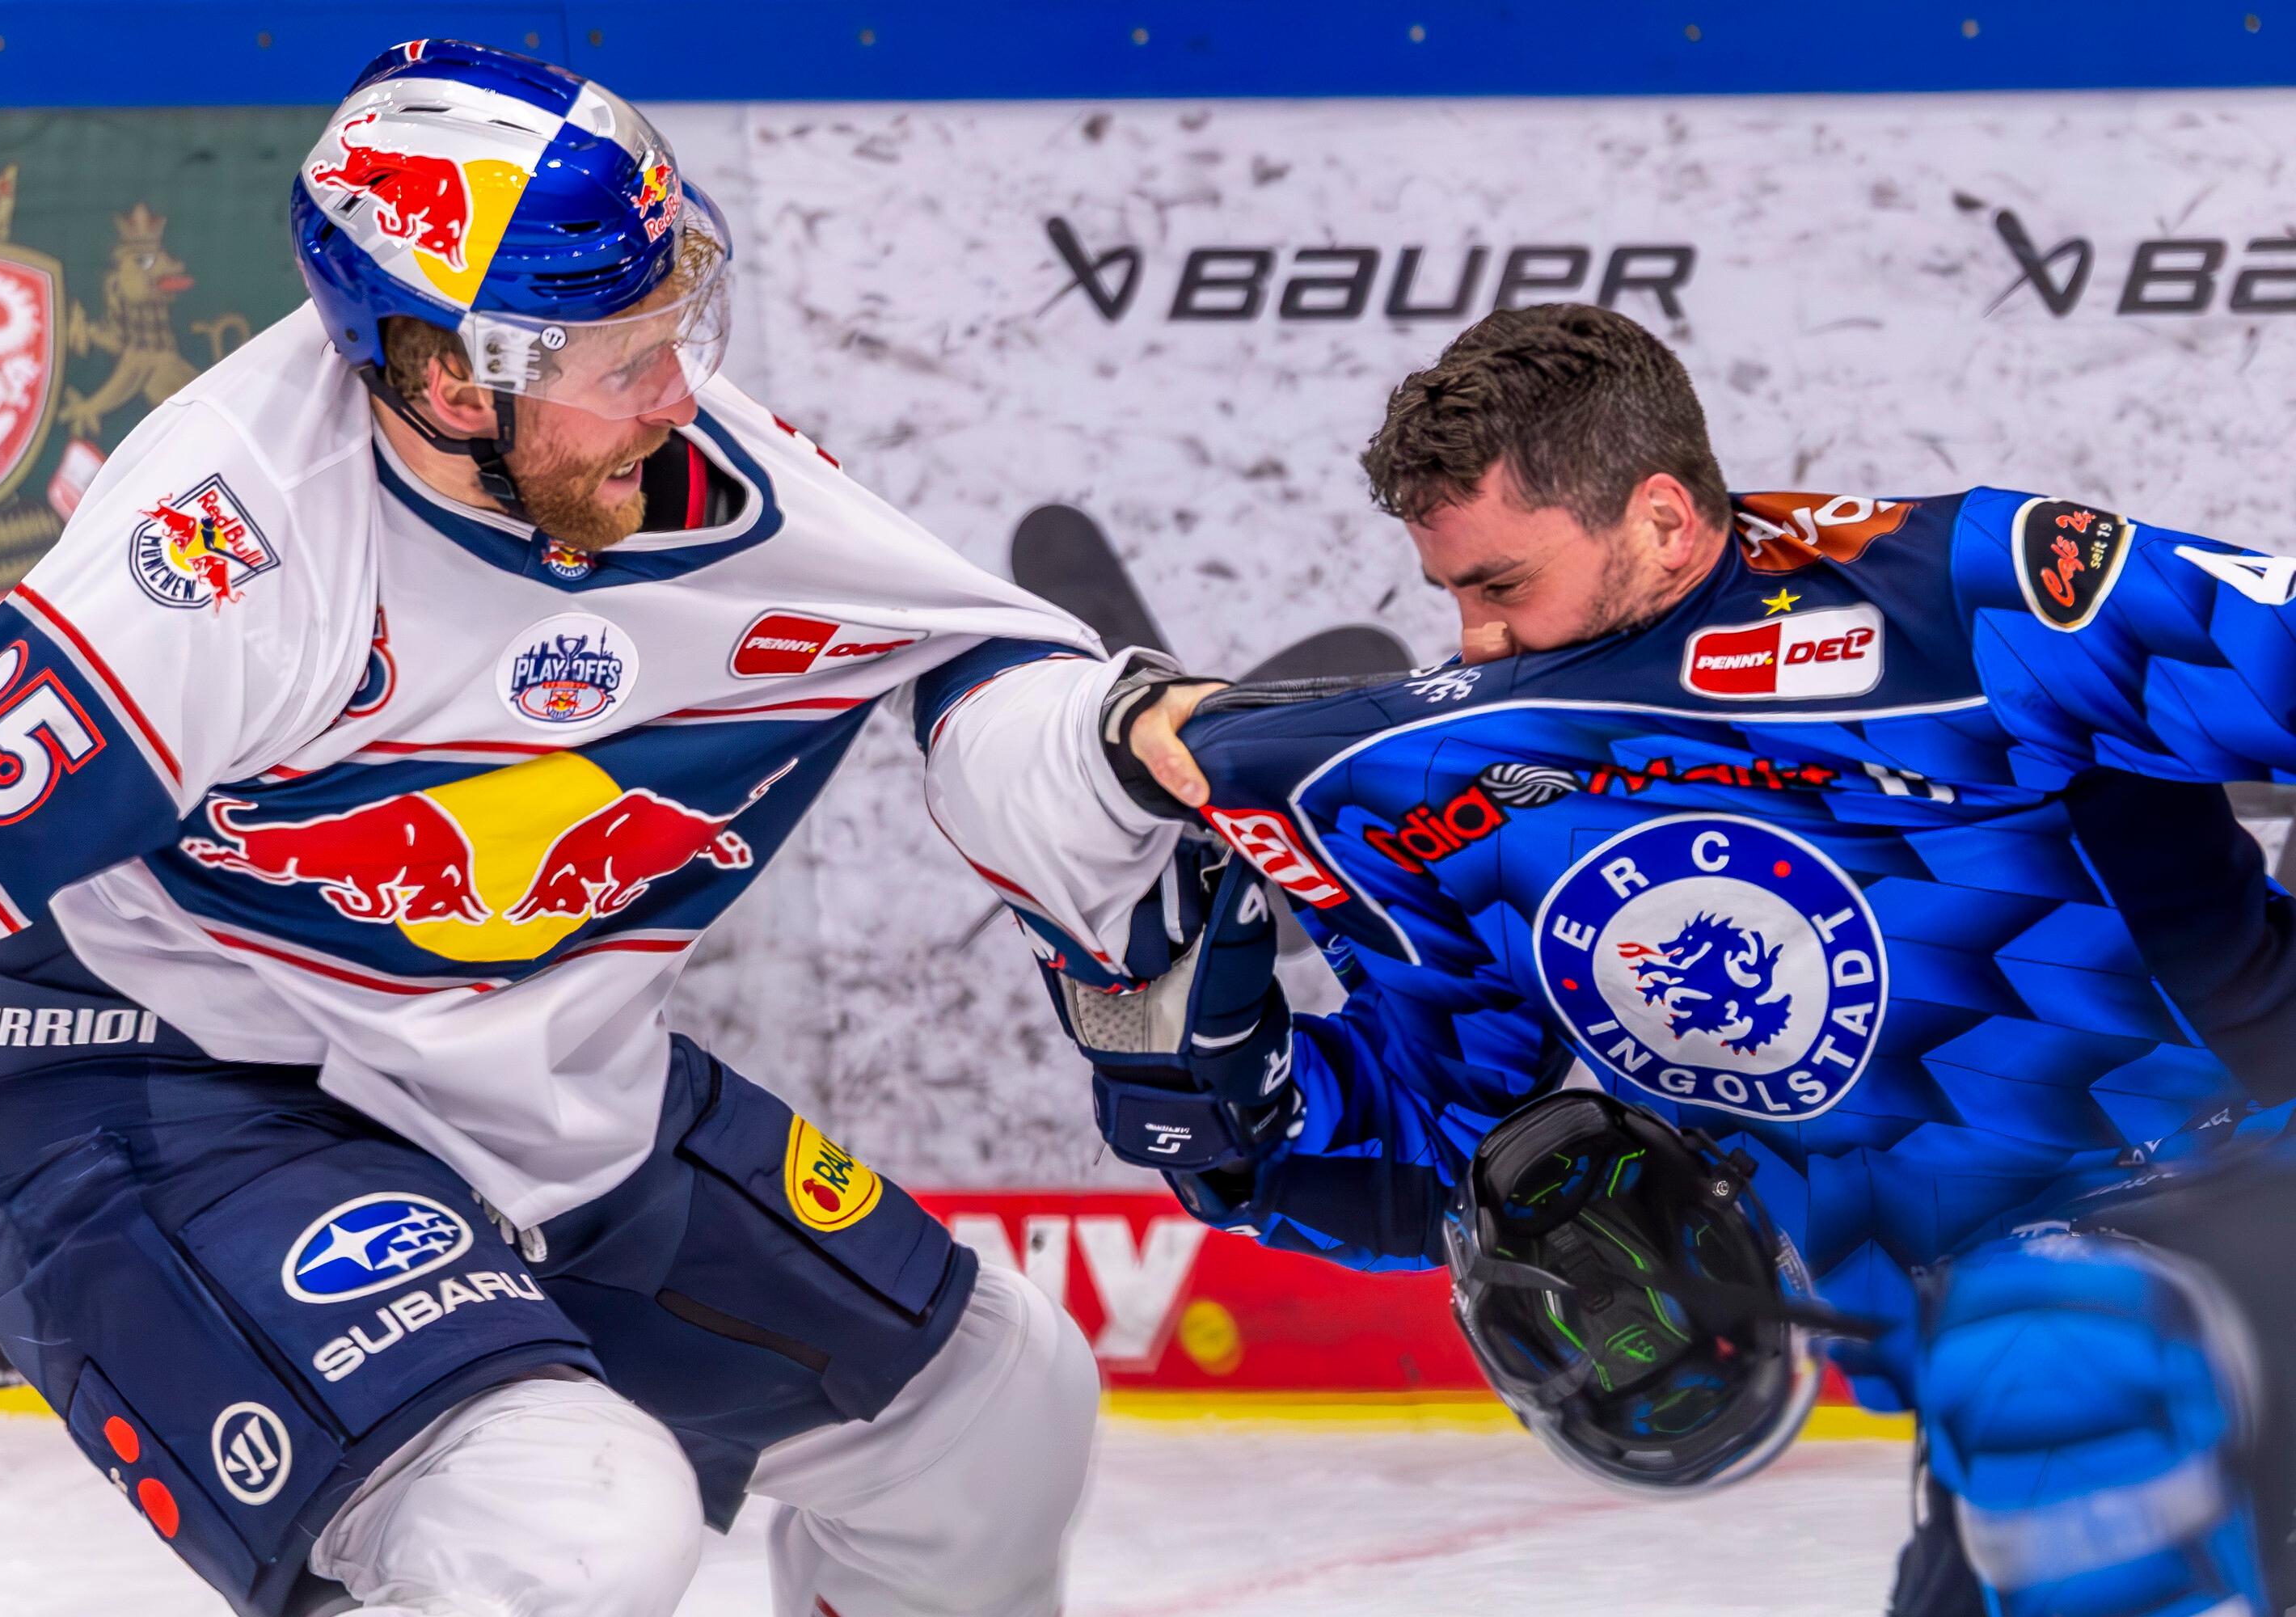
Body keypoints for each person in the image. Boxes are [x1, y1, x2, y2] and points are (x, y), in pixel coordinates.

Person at [0, 40, 1190, 1617]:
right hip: (171, 1093)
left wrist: (1133, 739)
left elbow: (982, 666)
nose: (680, 391)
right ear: (447, 376)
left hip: (513, 1090)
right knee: (570, 1529)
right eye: (618, 349)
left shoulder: (710, 478)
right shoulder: (226, 552)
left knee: (990, 1415)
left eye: (670, 322)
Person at [931, 300, 2296, 1616]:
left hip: (2236, 1242)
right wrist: (1227, 1106)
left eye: (1502, 584)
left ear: (1658, 515)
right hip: (2005, 1396)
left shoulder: (1979, 600)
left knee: (2051, 1362)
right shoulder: (1442, 786)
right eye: (1447, 593)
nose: (1472, 637)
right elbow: (1452, 1144)